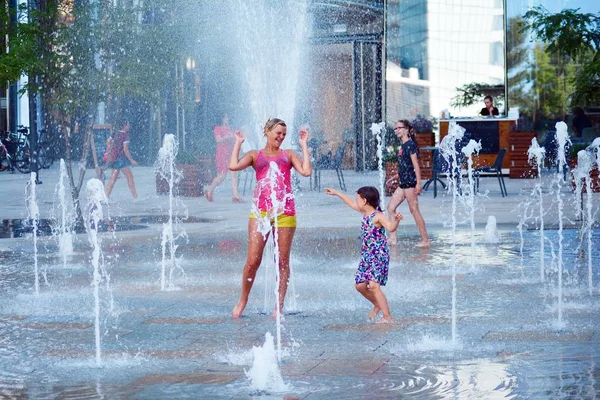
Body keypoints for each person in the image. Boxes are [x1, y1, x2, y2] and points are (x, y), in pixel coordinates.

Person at [229, 118, 312, 318]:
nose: (281, 137)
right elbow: (233, 166)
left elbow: (306, 171)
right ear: (266, 131)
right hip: (260, 213)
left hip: (285, 213)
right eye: (278, 133)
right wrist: (238, 144)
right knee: (252, 261)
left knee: (282, 261)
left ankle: (279, 305)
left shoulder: (289, 154)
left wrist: (303, 146)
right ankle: (243, 300)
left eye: (284, 134)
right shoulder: (255, 155)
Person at [325, 186, 402, 324]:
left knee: (373, 285)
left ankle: (387, 316)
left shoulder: (378, 216)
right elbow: (351, 203)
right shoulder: (364, 212)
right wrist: (337, 193)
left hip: (378, 255)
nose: (356, 202)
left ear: (365, 201)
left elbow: (390, 227)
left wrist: (396, 220)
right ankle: (377, 303)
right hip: (367, 255)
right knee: (360, 285)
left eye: (358, 199)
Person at [386, 120, 430, 247]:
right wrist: (394, 177)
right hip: (403, 183)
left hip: (410, 183)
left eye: (399, 128)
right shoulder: (403, 145)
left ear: (406, 129)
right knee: (390, 208)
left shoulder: (410, 145)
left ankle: (425, 240)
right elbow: (405, 166)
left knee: (414, 210)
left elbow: (415, 165)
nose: (397, 130)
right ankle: (393, 238)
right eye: (395, 128)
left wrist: (418, 183)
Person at [206, 113, 243, 203]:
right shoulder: (217, 128)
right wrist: (228, 137)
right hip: (222, 154)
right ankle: (209, 191)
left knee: (234, 174)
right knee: (221, 176)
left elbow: (231, 140)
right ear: (222, 118)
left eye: (227, 116)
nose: (227, 118)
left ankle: (235, 196)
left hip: (230, 154)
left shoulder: (229, 128)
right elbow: (218, 140)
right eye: (225, 117)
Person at [104, 121, 138, 199]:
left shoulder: (115, 133)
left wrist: (110, 150)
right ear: (124, 126)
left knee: (113, 178)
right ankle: (135, 196)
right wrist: (131, 160)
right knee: (129, 176)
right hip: (120, 160)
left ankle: (106, 195)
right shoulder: (125, 135)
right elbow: (125, 149)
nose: (129, 126)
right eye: (128, 124)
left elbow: (108, 141)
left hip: (114, 159)